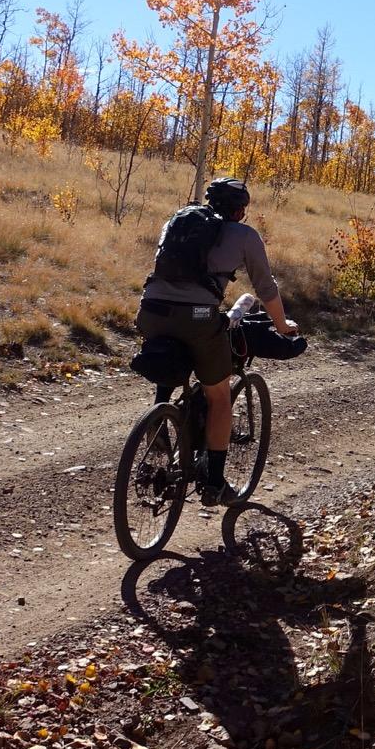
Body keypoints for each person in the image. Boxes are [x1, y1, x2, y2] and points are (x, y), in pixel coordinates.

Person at [136, 177, 298, 506]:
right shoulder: (244, 235)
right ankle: (214, 483)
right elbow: (266, 288)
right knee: (219, 395)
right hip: (196, 317)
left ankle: (159, 425)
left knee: (172, 361)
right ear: (240, 210)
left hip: (150, 310)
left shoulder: (176, 222)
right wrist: (282, 326)